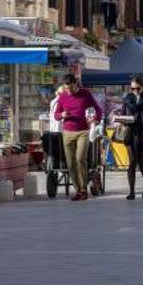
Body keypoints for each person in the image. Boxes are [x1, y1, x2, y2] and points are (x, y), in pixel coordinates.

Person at [50, 72, 102, 203]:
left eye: (71, 88)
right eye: (66, 88)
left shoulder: (85, 94)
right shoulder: (62, 97)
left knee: (80, 159)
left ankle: (84, 190)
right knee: (71, 163)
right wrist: (62, 114)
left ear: (75, 84)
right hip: (67, 132)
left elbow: (98, 109)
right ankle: (78, 190)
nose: (69, 91)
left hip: (83, 131)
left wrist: (96, 119)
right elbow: (55, 115)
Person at [115, 76, 143, 200]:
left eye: (137, 88)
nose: (134, 91)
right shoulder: (128, 97)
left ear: (142, 87)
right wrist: (120, 119)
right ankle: (132, 192)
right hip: (130, 133)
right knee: (132, 162)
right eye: (132, 88)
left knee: (142, 163)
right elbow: (123, 112)